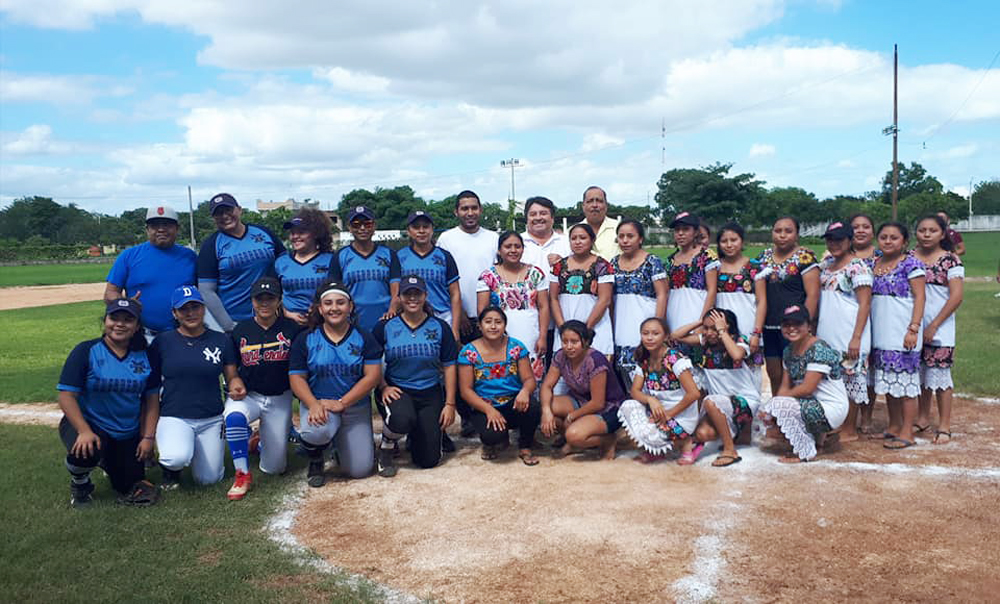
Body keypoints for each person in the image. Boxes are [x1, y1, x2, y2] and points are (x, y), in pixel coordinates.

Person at [57, 299, 161, 507]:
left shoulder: (146, 355)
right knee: (88, 451)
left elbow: (151, 401)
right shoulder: (87, 351)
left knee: (128, 485)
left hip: (126, 431)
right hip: (91, 424)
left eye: (128, 319)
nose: (120, 324)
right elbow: (66, 395)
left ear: (137, 326)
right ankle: (80, 482)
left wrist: (148, 437)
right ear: (105, 320)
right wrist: (84, 430)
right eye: (114, 318)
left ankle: (107, 461)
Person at [150, 286, 245, 489]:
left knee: (209, 480)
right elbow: (152, 384)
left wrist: (236, 385)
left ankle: (192, 450)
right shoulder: (162, 342)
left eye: (195, 306)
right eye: (184, 309)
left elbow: (232, 375)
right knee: (176, 457)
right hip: (175, 415)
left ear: (203, 309)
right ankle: (171, 471)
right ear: (174, 313)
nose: (191, 313)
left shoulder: (221, 340)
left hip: (211, 417)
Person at [289, 281, 382, 487]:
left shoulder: (364, 337)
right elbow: (297, 379)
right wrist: (312, 404)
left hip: (354, 407)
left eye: (340, 303)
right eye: (328, 303)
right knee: (317, 432)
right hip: (320, 406)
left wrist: (343, 402)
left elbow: (372, 376)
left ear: (350, 306)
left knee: (360, 470)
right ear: (320, 309)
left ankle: (339, 445)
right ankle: (316, 457)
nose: (334, 308)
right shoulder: (306, 338)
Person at [222, 277, 302, 500]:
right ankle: (242, 474)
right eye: (259, 298)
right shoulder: (241, 329)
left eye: (270, 298)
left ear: (279, 301)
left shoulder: (292, 328)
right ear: (252, 301)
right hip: (251, 395)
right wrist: (234, 381)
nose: (264, 303)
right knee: (234, 416)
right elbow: (231, 366)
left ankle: (257, 443)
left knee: (274, 468)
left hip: (280, 397)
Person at [371, 276, 458, 477]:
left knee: (428, 460)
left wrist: (450, 403)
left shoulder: (439, 327)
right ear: (399, 297)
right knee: (402, 419)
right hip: (398, 389)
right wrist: (383, 386)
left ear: (425, 296)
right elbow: (371, 361)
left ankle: (418, 434)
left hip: (429, 390)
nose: (412, 298)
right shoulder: (385, 326)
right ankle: (386, 446)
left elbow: (449, 365)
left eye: (417, 294)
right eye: (407, 294)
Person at [436, 190, 498, 436]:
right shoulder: (447, 239)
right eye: (465, 208)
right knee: (462, 368)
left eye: (474, 208)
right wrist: (458, 313)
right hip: (458, 315)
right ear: (456, 212)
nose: (470, 213)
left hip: (491, 315)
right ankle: (467, 417)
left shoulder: (493, 238)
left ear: (480, 210)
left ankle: (488, 414)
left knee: (488, 368)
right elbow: (445, 279)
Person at [758, 305, 849, 463]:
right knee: (772, 410)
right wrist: (773, 410)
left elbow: (808, 388)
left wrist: (775, 405)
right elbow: (785, 387)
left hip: (832, 407)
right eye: (786, 324)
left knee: (778, 406)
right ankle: (818, 441)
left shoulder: (819, 349)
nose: (792, 328)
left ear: (809, 326)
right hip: (813, 402)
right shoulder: (788, 351)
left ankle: (804, 451)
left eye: (798, 324)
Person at [672, 309, 761, 466]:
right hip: (719, 406)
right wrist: (701, 321)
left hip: (745, 402)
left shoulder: (739, 340)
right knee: (702, 433)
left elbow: (737, 355)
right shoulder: (705, 341)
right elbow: (676, 336)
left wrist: (722, 331)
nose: (709, 333)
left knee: (710, 401)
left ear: (728, 327)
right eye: (706, 328)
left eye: (714, 328)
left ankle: (730, 450)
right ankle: (731, 434)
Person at [868, 222, 926, 450]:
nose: (888, 241)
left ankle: (907, 431)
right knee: (889, 383)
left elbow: (920, 298)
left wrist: (913, 328)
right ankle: (893, 426)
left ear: (904, 241)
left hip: (903, 333)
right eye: (883, 237)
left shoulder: (911, 264)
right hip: (881, 333)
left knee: (906, 385)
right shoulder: (873, 264)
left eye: (894, 237)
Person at [457, 306, 540, 464]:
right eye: (488, 322)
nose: (493, 326)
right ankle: (493, 441)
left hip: (513, 403)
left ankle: (525, 446)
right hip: (484, 406)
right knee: (492, 436)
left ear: (505, 325)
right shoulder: (468, 352)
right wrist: (489, 410)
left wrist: (524, 392)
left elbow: (530, 380)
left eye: (498, 322)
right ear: (480, 326)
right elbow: (465, 391)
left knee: (534, 407)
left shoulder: (516, 347)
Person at [105, 204, 197, 341]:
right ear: (147, 229)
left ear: (177, 228)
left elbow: (204, 291)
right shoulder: (129, 256)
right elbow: (110, 293)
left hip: (183, 334)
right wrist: (126, 304)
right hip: (141, 334)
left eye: (167, 225)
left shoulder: (190, 257)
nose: (161, 230)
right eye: (155, 225)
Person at [817, 221, 873, 443]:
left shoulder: (858, 267)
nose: (834, 244)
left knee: (851, 380)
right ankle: (836, 424)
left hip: (849, 333)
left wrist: (857, 337)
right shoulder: (826, 265)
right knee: (832, 380)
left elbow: (865, 303)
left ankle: (850, 427)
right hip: (827, 332)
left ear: (849, 241)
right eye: (830, 240)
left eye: (839, 240)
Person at [617, 318, 702, 464]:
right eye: (645, 333)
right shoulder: (644, 359)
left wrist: (669, 415)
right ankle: (657, 450)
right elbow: (635, 391)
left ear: (666, 336)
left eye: (655, 333)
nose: (649, 338)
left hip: (680, 415)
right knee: (628, 406)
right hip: (658, 412)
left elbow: (694, 394)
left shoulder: (674, 359)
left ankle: (687, 444)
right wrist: (651, 399)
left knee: (653, 436)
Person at [198, 193, 286, 332]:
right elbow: (206, 291)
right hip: (236, 321)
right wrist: (228, 326)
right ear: (213, 218)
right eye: (219, 213)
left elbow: (286, 267)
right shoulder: (211, 245)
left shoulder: (263, 233)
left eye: (229, 210)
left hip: (272, 316)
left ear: (239, 209)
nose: (225, 216)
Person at [540, 321, 627, 460]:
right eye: (565, 341)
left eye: (574, 342)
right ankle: (576, 439)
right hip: (580, 400)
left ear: (585, 342)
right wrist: (546, 412)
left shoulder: (595, 360)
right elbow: (546, 386)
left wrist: (572, 416)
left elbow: (598, 403)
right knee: (548, 407)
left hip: (608, 408)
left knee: (573, 435)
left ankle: (608, 440)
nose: (568, 346)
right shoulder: (561, 355)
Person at [912, 214, 964, 444]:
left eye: (932, 231)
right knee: (921, 374)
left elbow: (956, 297)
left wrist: (933, 325)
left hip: (939, 328)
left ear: (942, 234)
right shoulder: (910, 258)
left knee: (940, 376)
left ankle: (944, 425)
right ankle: (921, 417)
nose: (926, 234)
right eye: (922, 230)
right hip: (913, 327)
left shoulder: (950, 260)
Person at [757, 216, 820, 394]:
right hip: (769, 325)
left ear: (797, 234)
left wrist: (805, 325)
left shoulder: (805, 258)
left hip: (794, 326)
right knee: (774, 373)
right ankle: (777, 412)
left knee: (793, 374)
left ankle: (793, 415)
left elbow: (813, 294)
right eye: (778, 231)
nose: (782, 235)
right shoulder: (763, 257)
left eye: (788, 231)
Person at [477, 231, 550, 380]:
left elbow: (544, 307)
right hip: (499, 338)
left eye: (517, 246)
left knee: (531, 380)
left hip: (531, 335)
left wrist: (543, 337)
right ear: (499, 250)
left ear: (523, 249)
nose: (513, 250)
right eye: (507, 246)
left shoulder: (536, 274)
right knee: (504, 379)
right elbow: (482, 311)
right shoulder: (487, 277)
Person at [610, 219, 668, 385]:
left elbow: (662, 294)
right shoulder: (613, 263)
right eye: (621, 237)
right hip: (621, 328)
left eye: (630, 236)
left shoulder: (652, 262)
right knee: (625, 380)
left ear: (640, 239)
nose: (625, 240)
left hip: (645, 326)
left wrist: (658, 328)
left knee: (646, 377)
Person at [328, 205, 401, 334]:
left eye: (367, 224)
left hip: (386, 320)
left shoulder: (389, 254)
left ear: (374, 226)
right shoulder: (340, 256)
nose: (362, 228)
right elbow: (334, 292)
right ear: (349, 228)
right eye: (356, 224)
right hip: (352, 322)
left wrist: (392, 311)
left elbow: (396, 290)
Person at [548, 223, 614, 357]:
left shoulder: (602, 266)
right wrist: (563, 328)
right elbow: (553, 298)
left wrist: (586, 329)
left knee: (596, 370)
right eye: (573, 238)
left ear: (592, 240)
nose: (577, 242)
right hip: (565, 326)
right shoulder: (558, 267)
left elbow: (604, 300)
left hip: (595, 328)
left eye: (582, 238)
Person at [397, 210, 462, 342]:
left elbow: (455, 294)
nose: (421, 231)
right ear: (409, 231)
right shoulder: (400, 257)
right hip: (410, 316)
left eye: (425, 227)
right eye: (416, 227)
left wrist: (455, 329)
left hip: (442, 315)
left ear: (432, 230)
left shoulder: (444, 256)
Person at [521, 196, 571, 363]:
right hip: (529, 319)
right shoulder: (517, 243)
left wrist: (563, 265)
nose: (538, 218)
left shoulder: (567, 242)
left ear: (552, 217)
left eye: (543, 213)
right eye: (533, 214)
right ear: (526, 218)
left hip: (563, 316)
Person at [714, 222, 766, 361]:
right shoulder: (714, 267)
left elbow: (762, 302)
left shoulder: (755, 267)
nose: (729, 245)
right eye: (724, 241)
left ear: (742, 241)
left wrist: (756, 333)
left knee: (749, 375)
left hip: (748, 327)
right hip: (721, 329)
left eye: (734, 240)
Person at [274, 208, 334, 326]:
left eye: (301, 232)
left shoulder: (331, 260)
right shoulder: (281, 262)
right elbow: (272, 295)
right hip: (289, 325)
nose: (295, 236)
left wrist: (319, 310)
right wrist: (286, 313)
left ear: (316, 234)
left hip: (324, 323)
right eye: (292, 232)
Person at [665, 212, 719, 333]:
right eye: (677, 230)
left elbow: (712, 291)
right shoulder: (670, 260)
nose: (680, 233)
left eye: (685, 229)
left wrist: (702, 321)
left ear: (695, 232)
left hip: (697, 318)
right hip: (674, 317)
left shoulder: (706, 256)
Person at [578, 186, 620, 260]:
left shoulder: (619, 228)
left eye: (599, 201)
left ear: (606, 205)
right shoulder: (572, 233)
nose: (594, 205)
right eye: (590, 201)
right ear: (583, 206)